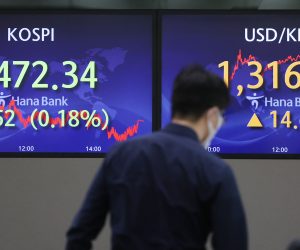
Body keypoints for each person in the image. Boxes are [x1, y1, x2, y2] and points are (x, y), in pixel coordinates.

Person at [66, 65, 248, 250]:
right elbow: (233, 244)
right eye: (222, 117)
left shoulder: (120, 155)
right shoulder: (215, 170)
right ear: (212, 114)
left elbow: (79, 233)